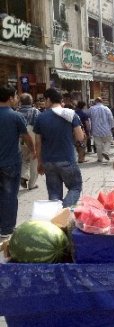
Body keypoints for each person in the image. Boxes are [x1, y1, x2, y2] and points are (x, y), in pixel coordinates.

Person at [34, 88, 84, 208]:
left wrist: (40, 162)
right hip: (67, 159)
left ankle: (56, 217)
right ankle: (64, 211)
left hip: (48, 161)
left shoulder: (41, 117)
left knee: (54, 194)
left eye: (44, 100)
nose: (44, 103)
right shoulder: (70, 114)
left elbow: (38, 142)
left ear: (49, 100)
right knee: (75, 187)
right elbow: (80, 137)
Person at [0, 85, 35, 238]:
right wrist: (33, 150)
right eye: (15, 96)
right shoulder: (15, 116)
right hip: (10, 163)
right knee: (9, 196)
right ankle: (7, 229)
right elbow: (27, 137)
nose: (16, 100)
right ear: (10, 98)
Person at [17, 93, 40, 190]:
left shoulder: (17, 112)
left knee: (24, 159)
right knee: (34, 160)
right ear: (31, 102)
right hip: (33, 135)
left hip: (20, 137)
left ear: (21, 102)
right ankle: (32, 184)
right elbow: (39, 125)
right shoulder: (35, 111)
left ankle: (23, 175)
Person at [89, 97, 114, 164]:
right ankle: (105, 152)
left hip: (96, 129)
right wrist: (112, 126)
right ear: (101, 101)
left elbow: (89, 119)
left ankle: (100, 158)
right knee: (108, 141)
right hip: (106, 129)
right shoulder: (106, 108)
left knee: (98, 144)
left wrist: (90, 129)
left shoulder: (91, 109)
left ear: (95, 101)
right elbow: (111, 118)